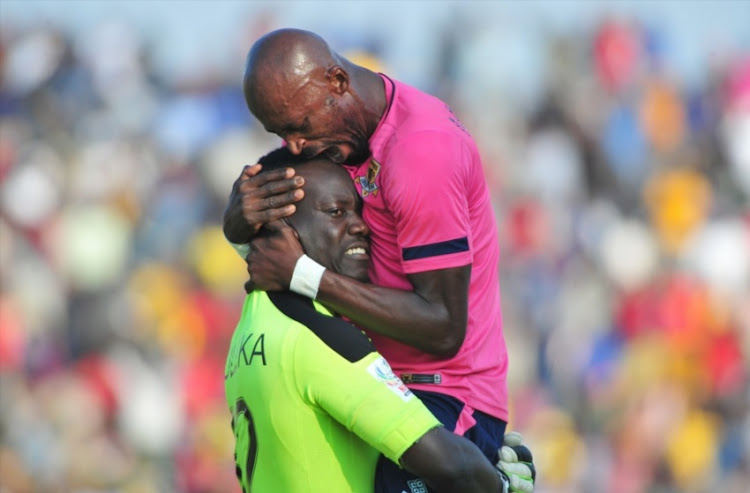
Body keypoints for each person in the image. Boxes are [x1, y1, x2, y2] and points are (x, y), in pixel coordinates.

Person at [224, 29, 535, 492]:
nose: (294, 146)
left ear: (336, 82)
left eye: (300, 125)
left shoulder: (421, 151)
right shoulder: (337, 138)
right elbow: (281, 221)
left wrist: (305, 275)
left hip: (444, 395)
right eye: (279, 133)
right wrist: (238, 221)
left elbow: (444, 327)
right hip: (378, 388)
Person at [225, 147, 512, 493]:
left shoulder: (251, 328)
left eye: (358, 211)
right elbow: (453, 468)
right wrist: (505, 482)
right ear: (279, 224)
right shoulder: (319, 337)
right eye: (335, 212)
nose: (361, 225)